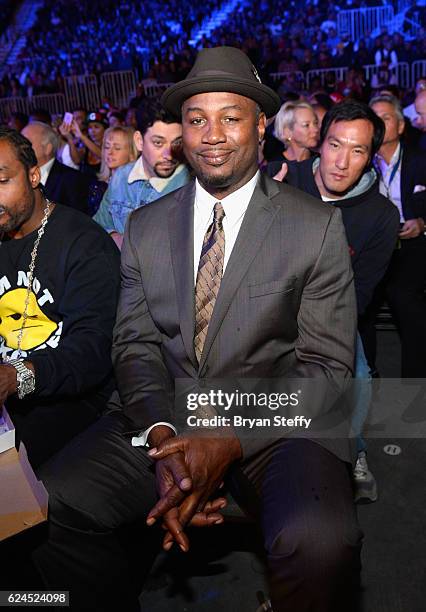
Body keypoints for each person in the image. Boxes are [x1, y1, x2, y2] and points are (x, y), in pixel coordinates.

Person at [35, 47, 361, 612]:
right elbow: (134, 343)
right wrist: (163, 437)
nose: (211, 134)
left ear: (261, 126)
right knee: (67, 495)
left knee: (319, 539)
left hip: (275, 422)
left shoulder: (315, 228)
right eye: (196, 119)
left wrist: (228, 439)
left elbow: (329, 372)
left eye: (230, 118)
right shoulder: (144, 226)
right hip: (168, 411)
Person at [273, 100, 400, 502]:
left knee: (357, 374)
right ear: (320, 144)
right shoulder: (285, 180)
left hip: (334, 315)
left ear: (370, 158)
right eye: (334, 145)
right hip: (271, 304)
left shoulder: (380, 215)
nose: (341, 161)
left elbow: (361, 294)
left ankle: (355, 452)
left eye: (357, 150)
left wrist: (313, 328)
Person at [0, 127, 121, 469]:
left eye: (2, 181)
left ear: (34, 174)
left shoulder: (83, 244)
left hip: (72, 406)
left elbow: (92, 353)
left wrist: (14, 376)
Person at [363, 94, 426, 382]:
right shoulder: (361, 163)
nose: (378, 123)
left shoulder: (419, 160)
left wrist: (423, 223)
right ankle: (367, 377)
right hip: (376, 246)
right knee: (359, 307)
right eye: (373, 117)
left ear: (400, 126)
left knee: (406, 302)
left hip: (414, 244)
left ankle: (413, 383)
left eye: (385, 117)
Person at [94, 102, 190, 249]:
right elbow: (98, 225)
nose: (169, 155)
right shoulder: (121, 176)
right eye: (158, 143)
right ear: (139, 141)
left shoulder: (189, 183)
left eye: (177, 143)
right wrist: (114, 237)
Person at [21, 121, 91, 215]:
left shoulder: (72, 179)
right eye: (19, 144)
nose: (20, 149)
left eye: (27, 144)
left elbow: (76, 221)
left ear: (47, 149)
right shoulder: (17, 176)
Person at [88, 125, 138, 216]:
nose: (110, 152)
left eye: (117, 148)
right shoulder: (97, 185)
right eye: (107, 147)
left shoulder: (135, 187)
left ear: (131, 153)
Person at [269, 100, 319, 172]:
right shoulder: (275, 166)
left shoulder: (320, 162)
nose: (316, 129)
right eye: (306, 125)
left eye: (315, 123)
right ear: (287, 131)